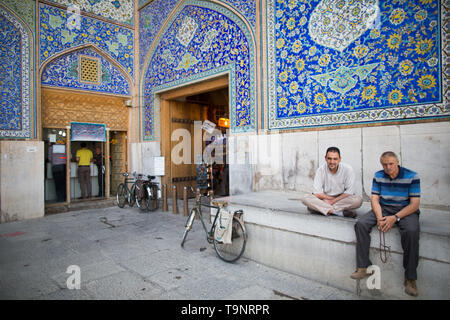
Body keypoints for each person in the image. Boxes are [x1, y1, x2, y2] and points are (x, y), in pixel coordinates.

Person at [351, 151, 421, 297]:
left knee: (411, 231)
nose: (388, 167)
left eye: (391, 164)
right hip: (384, 207)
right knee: (361, 224)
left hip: (405, 210)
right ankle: (364, 266)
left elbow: (414, 205)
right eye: (385, 164)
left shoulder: (412, 176)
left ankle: (410, 277)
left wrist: (395, 217)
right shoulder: (378, 175)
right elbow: (375, 199)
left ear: (397, 162)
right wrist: (379, 217)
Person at [301, 147, 363, 218]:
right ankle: (337, 212)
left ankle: (322, 209)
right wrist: (329, 199)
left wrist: (332, 201)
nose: (332, 162)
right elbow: (317, 193)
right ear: (325, 158)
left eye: (335, 159)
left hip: (341, 198)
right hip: (325, 198)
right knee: (305, 198)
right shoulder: (320, 170)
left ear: (340, 159)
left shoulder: (348, 169)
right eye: (329, 158)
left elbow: (349, 192)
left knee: (358, 200)